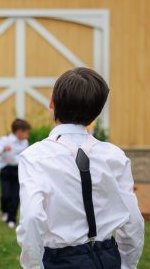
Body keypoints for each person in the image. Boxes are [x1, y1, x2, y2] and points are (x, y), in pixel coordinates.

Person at [16, 67, 144, 269]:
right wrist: (128, 264)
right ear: (97, 112)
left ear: (52, 102)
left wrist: (33, 266)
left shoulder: (35, 156)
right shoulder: (114, 156)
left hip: (61, 259)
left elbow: (32, 217)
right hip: (108, 256)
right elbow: (133, 220)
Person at [0, 118, 30, 229]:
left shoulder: (25, 142)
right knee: (5, 195)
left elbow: (23, 157)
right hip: (6, 170)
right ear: (19, 132)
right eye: (26, 132)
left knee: (16, 196)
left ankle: (12, 218)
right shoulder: (6, 140)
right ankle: (4, 211)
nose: (27, 136)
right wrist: (3, 149)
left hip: (18, 171)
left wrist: (15, 159)